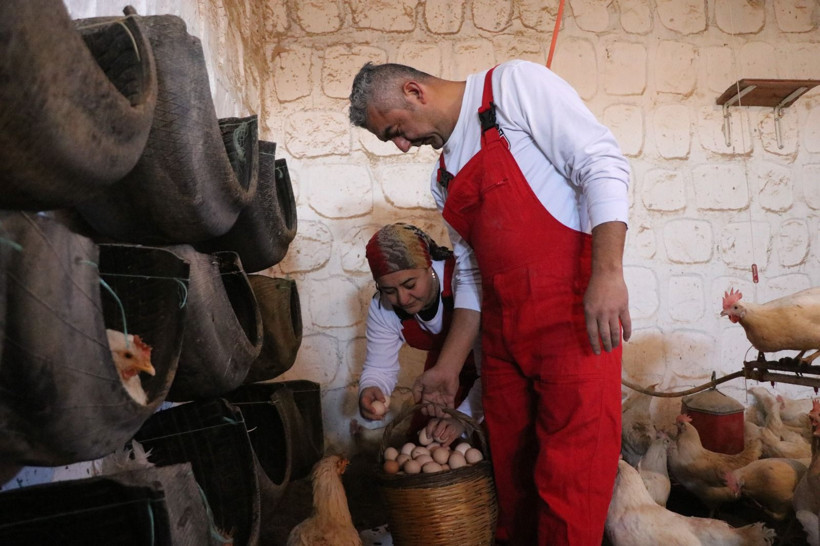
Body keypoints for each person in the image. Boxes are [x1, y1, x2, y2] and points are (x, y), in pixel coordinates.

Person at [349, 60, 632, 546]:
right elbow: (474, 270)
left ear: (415, 91)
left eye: (396, 129)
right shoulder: (443, 177)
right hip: (501, 333)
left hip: (569, 314)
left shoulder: (514, 87)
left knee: (571, 475)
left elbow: (601, 162)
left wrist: (607, 275)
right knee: (511, 470)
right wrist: (450, 365)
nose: (401, 144)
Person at [358, 222, 482, 447]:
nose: (403, 299)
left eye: (410, 284)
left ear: (428, 266)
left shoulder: (465, 281)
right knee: (422, 440)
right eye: (389, 290)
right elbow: (380, 367)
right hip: (439, 373)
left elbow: (495, 370)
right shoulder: (382, 308)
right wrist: (372, 387)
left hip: (491, 368)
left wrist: (463, 418)